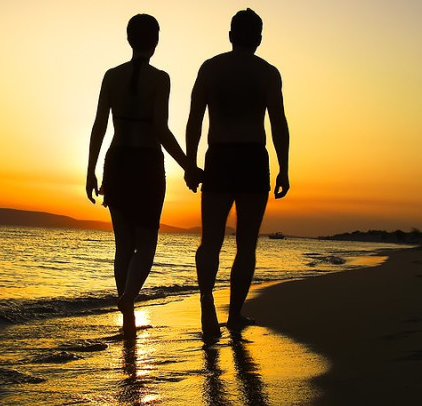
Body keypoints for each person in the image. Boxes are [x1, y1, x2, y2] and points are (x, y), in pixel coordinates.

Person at [87, 14, 198, 336]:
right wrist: (188, 165)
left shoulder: (112, 76)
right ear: (155, 41)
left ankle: (128, 314)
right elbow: (161, 130)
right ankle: (128, 298)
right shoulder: (160, 79)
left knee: (123, 245)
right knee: (146, 244)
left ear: (128, 38)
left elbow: (99, 126)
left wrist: (90, 170)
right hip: (147, 163)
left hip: (117, 160)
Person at [185, 8, 290, 342]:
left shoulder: (211, 68)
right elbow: (278, 123)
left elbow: (194, 120)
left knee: (210, 242)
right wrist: (284, 167)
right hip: (252, 159)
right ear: (258, 39)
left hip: (220, 156)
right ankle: (233, 315)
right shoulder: (268, 73)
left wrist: (190, 163)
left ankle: (206, 303)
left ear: (231, 36)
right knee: (246, 245)